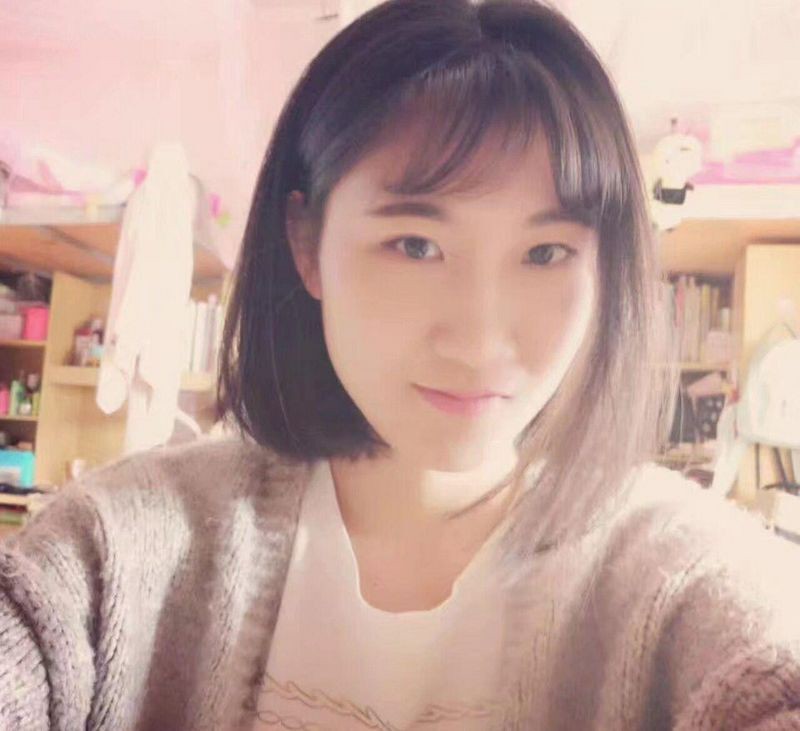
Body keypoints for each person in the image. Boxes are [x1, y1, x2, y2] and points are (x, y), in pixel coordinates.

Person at [1, 1, 799, 729]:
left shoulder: (679, 577)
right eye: (415, 245)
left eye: (546, 252)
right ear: (307, 243)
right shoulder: (116, 550)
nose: (480, 341)